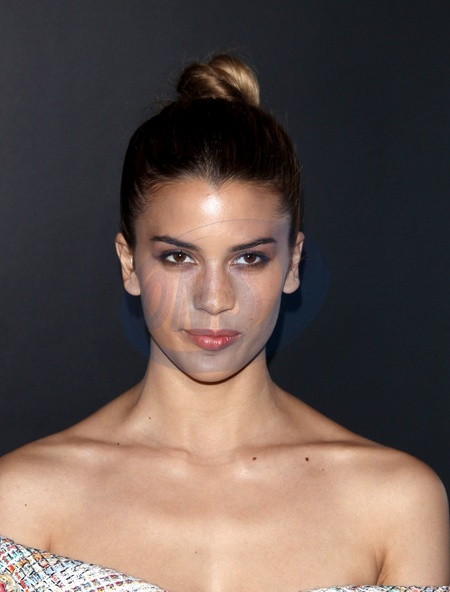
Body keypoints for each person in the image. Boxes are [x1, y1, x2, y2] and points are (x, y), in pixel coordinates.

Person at [0, 54, 448, 592]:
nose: (214, 299)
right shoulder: (22, 500)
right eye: (178, 257)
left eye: (248, 258)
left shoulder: (395, 503)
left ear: (293, 263)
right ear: (129, 263)